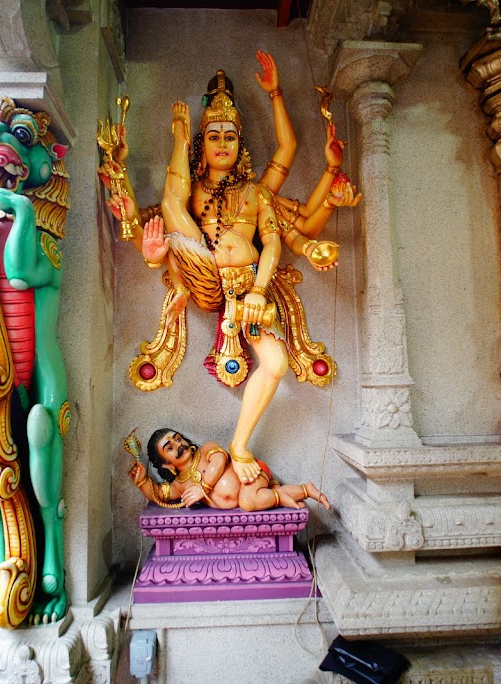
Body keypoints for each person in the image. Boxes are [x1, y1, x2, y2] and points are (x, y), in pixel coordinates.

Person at [100, 53, 360, 487]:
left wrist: (260, 290)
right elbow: (154, 216)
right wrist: (172, 150)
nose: (223, 143)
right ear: (204, 143)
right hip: (205, 279)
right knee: (170, 214)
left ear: (241, 144)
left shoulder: (256, 192)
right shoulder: (191, 194)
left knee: (275, 363)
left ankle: (240, 444)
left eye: (230, 136)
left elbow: (275, 239)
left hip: (249, 290)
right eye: (213, 135)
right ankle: (182, 149)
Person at [127, 428, 330, 511]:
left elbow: (219, 461)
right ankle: (304, 490)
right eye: (169, 448)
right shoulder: (180, 484)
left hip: (250, 473)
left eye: (177, 438)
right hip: (250, 491)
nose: (177, 445)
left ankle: (286, 495)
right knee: (251, 498)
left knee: (248, 501)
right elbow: (161, 496)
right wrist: (143, 482)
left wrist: (203, 488)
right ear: (166, 464)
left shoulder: (205, 450)